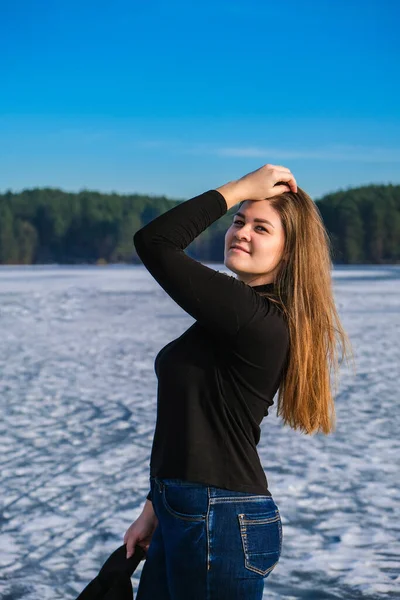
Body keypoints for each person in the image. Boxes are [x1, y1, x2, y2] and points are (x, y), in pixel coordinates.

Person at [123, 164, 353, 600]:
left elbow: (154, 241)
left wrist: (240, 188)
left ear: (289, 252)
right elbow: (198, 421)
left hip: (219, 518)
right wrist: (153, 507)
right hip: (189, 509)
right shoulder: (237, 313)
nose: (241, 232)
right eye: (238, 220)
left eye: (261, 227)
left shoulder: (251, 317)